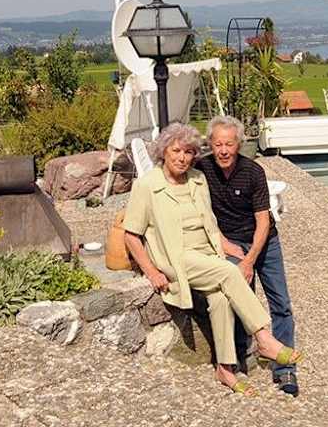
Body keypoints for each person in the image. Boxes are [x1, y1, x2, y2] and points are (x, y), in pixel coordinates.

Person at [123, 123, 302, 396]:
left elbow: (210, 223)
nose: (182, 157)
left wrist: (228, 246)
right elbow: (131, 235)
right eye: (176, 151)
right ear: (164, 152)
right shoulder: (148, 185)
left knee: (220, 299)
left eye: (188, 152)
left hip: (207, 254)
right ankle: (264, 338)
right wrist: (151, 271)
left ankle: (225, 369)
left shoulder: (197, 178)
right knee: (230, 273)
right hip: (178, 258)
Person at [196, 115, 300, 396]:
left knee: (280, 302)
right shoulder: (202, 169)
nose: (224, 150)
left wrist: (249, 260)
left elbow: (264, 222)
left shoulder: (253, 172)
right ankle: (242, 356)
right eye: (217, 144)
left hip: (263, 242)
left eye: (229, 144)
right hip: (230, 243)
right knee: (241, 300)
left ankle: (285, 369)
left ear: (239, 144)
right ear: (210, 144)